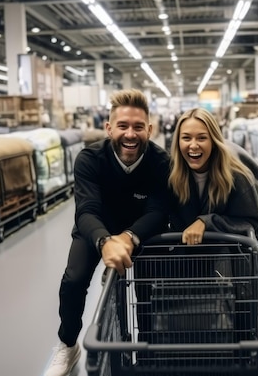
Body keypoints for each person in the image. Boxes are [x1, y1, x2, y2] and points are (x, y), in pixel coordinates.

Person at [44, 89, 170, 376]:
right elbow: (86, 209)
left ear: (149, 129)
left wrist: (126, 238)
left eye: (138, 127)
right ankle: (67, 345)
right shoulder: (89, 159)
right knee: (73, 281)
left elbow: (158, 211)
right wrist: (103, 241)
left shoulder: (161, 162)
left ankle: (149, 349)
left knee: (148, 289)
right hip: (95, 228)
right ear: (109, 127)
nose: (130, 134)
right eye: (123, 126)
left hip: (142, 231)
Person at [168, 107, 258, 247]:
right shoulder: (172, 172)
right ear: (178, 142)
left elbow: (249, 220)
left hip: (239, 243)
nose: (193, 145)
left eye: (202, 138)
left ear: (213, 141)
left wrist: (206, 222)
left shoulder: (236, 174)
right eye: (186, 138)